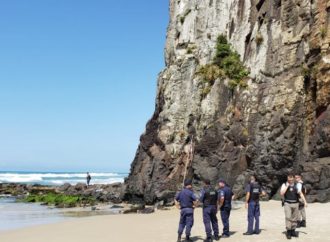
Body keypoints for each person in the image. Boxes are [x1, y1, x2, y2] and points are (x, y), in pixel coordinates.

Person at [280, 174, 307, 240]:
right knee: (288, 217)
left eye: (291, 180)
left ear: (293, 180)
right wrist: (287, 186)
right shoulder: (284, 184)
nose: (290, 181)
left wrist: (305, 202)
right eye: (289, 180)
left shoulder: (296, 185)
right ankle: (288, 231)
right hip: (287, 203)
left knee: (295, 218)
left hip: (295, 203)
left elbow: (300, 193)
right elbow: (282, 193)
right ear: (287, 179)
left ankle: (293, 230)